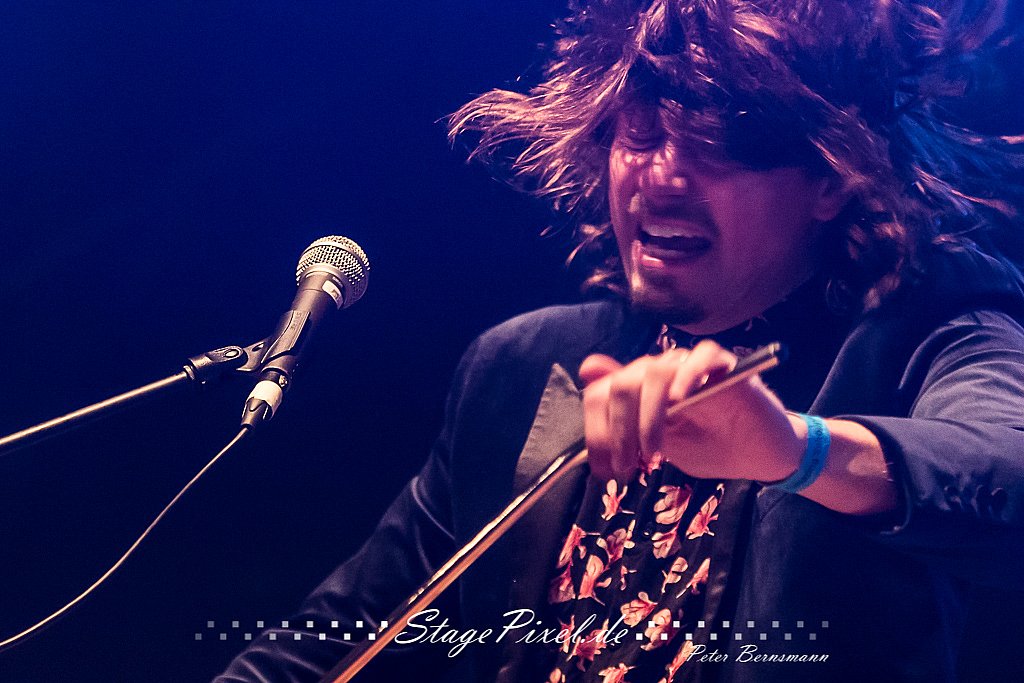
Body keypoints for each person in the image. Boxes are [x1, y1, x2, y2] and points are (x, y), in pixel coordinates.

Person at [215, 0, 1024, 681]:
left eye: (715, 145)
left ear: (831, 177)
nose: (662, 177)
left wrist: (799, 450)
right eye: (638, 135)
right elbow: (334, 636)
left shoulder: (925, 327)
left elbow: (1006, 470)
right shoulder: (520, 365)